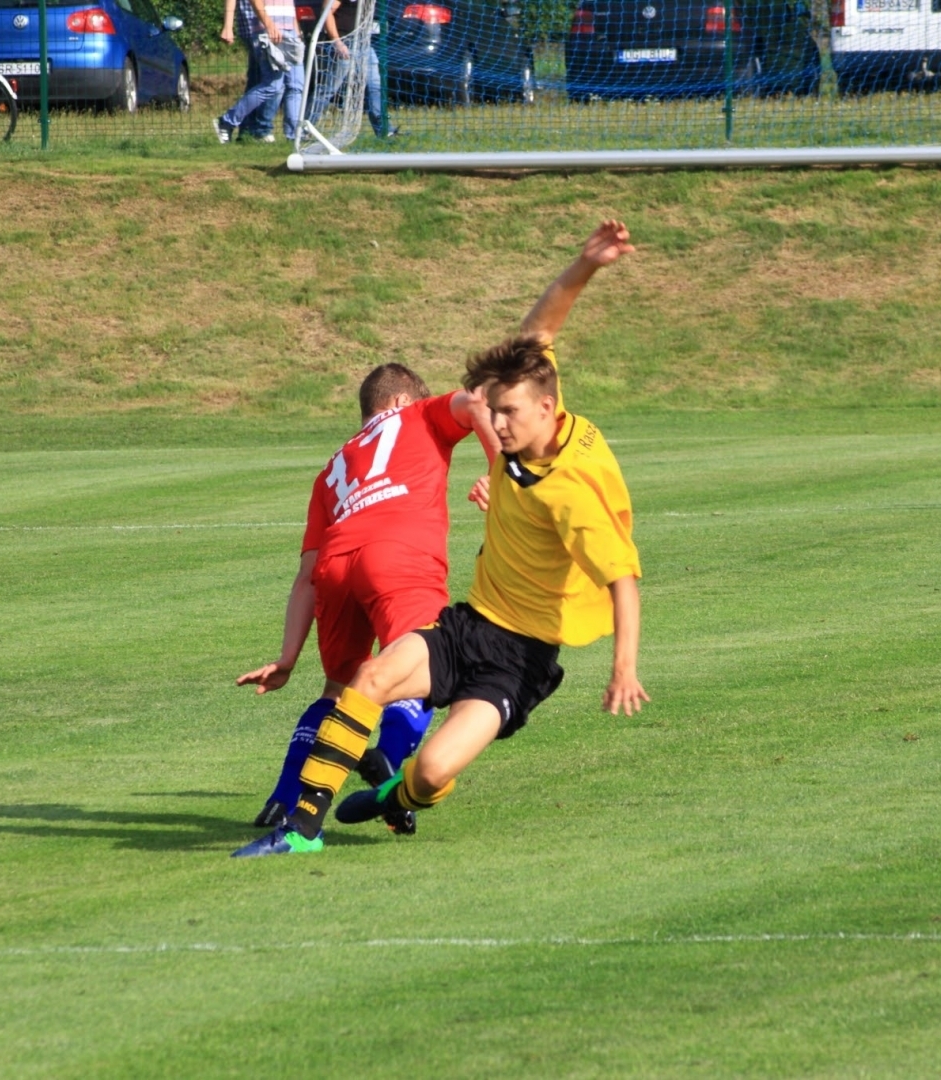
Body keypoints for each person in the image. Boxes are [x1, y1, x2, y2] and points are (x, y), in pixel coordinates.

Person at [235, 221, 646, 858]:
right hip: (470, 624)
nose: (496, 422)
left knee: (431, 772)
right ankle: (300, 831)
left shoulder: (570, 492)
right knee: (368, 677)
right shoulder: (529, 410)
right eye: (493, 410)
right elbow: (539, 330)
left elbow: (622, 579)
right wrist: (586, 264)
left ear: (545, 409)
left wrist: (623, 669)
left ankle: (395, 796)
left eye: (507, 413)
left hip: (521, 659)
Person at [234, 363, 500, 843]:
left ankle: (285, 796)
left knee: (338, 691)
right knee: (424, 666)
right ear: (401, 400)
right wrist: (503, 473)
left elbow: (306, 577)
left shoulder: (331, 469)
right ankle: (389, 772)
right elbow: (479, 401)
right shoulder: (419, 414)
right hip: (398, 554)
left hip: (335, 567)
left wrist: (287, 657)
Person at [215, 0, 304, 143]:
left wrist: (296, 31)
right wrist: (269, 25)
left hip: (290, 30)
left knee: (296, 85)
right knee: (273, 85)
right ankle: (228, 121)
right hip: (268, 30)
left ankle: (295, 135)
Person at [304, 0, 393, 139]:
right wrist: (337, 42)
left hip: (363, 43)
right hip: (345, 43)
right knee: (329, 89)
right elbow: (327, 13)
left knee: (375, 86)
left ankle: (384, 130)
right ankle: (305, 128)